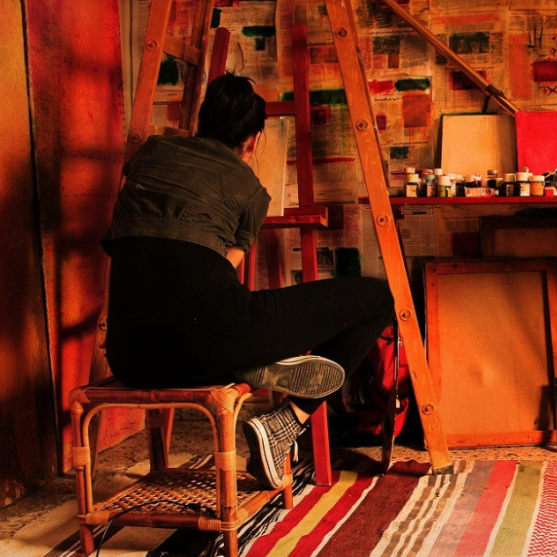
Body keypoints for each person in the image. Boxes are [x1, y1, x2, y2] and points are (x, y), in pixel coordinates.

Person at [102, 73, 394, 490]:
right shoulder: (250, 189)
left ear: (201, 122)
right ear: (254, 140)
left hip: (130, 358)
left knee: (216, 312)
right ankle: (285, 419)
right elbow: (227, 263)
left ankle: (256, 362)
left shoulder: (149, 155)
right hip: (208, 348)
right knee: (378, 298)